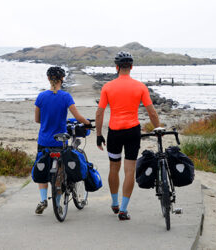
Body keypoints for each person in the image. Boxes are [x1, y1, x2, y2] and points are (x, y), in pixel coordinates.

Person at [95, 51, 160, 220]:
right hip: (132, 131)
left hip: (114, 132)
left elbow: (100, 113)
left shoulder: (108, 87)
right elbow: (152, 112)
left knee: (113, 167)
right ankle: (123, 209)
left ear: (116, 67)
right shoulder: (140, 87)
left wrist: (98, 134)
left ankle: (115, 203)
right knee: (129, 170)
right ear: (131, 67)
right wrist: (158, 128)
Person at [34, 66, 91, 214]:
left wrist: (48, 121)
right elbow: (78, 117)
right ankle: (58, 204)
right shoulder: (65, 97)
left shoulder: (41, 97)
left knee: (42, 168)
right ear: (62, 79)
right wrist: (88, 123)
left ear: (48, 79)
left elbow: (37, 119)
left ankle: (43, 200)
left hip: (44, 140)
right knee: (59, 172)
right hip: (60, 141)